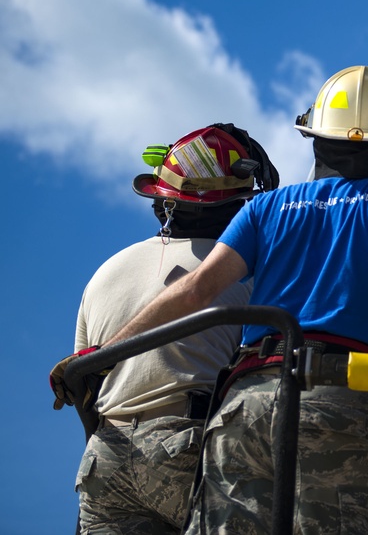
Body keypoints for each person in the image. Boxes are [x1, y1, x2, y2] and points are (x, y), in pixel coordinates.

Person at [52, 66, 368, 534]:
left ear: (316, 139)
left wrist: (104, 352)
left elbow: (196, 289)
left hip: (244, 409)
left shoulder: (265, 207)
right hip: (335, 396)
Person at [49, 123, 278, 534]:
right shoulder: (243, 276)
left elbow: (86, 379)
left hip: (106, 458)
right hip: (187, 444)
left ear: (164, 201)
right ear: (237, 207)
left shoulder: (106, 272)